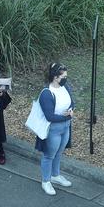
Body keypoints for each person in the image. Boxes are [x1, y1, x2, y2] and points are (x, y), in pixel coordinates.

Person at [36, 63, 75, 196]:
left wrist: (71, 110)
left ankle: (55, 175)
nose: (66, 78)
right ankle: (46, 181)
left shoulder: (65, 87)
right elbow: (49, 116)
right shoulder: (46, 94)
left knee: (59, 153)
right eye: (63, 76)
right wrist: (67, 117)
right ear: (55, 77)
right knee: (49, 155)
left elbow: (72, 102)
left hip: (65, 127)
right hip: (54, 129)